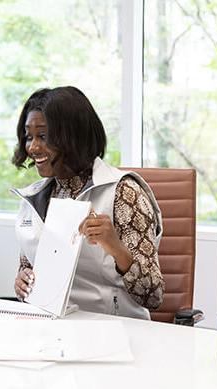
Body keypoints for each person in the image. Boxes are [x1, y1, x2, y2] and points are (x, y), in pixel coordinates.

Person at [12, 86, 164, 319]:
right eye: (29, 136)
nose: (32, 147)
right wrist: (24, 282)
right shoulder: (34, 199)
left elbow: (153, 295)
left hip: (116, 331)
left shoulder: (123, 193)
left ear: (73, 136)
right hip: (53, 331)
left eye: (43, 136)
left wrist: (115, 247)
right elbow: (27, 269)